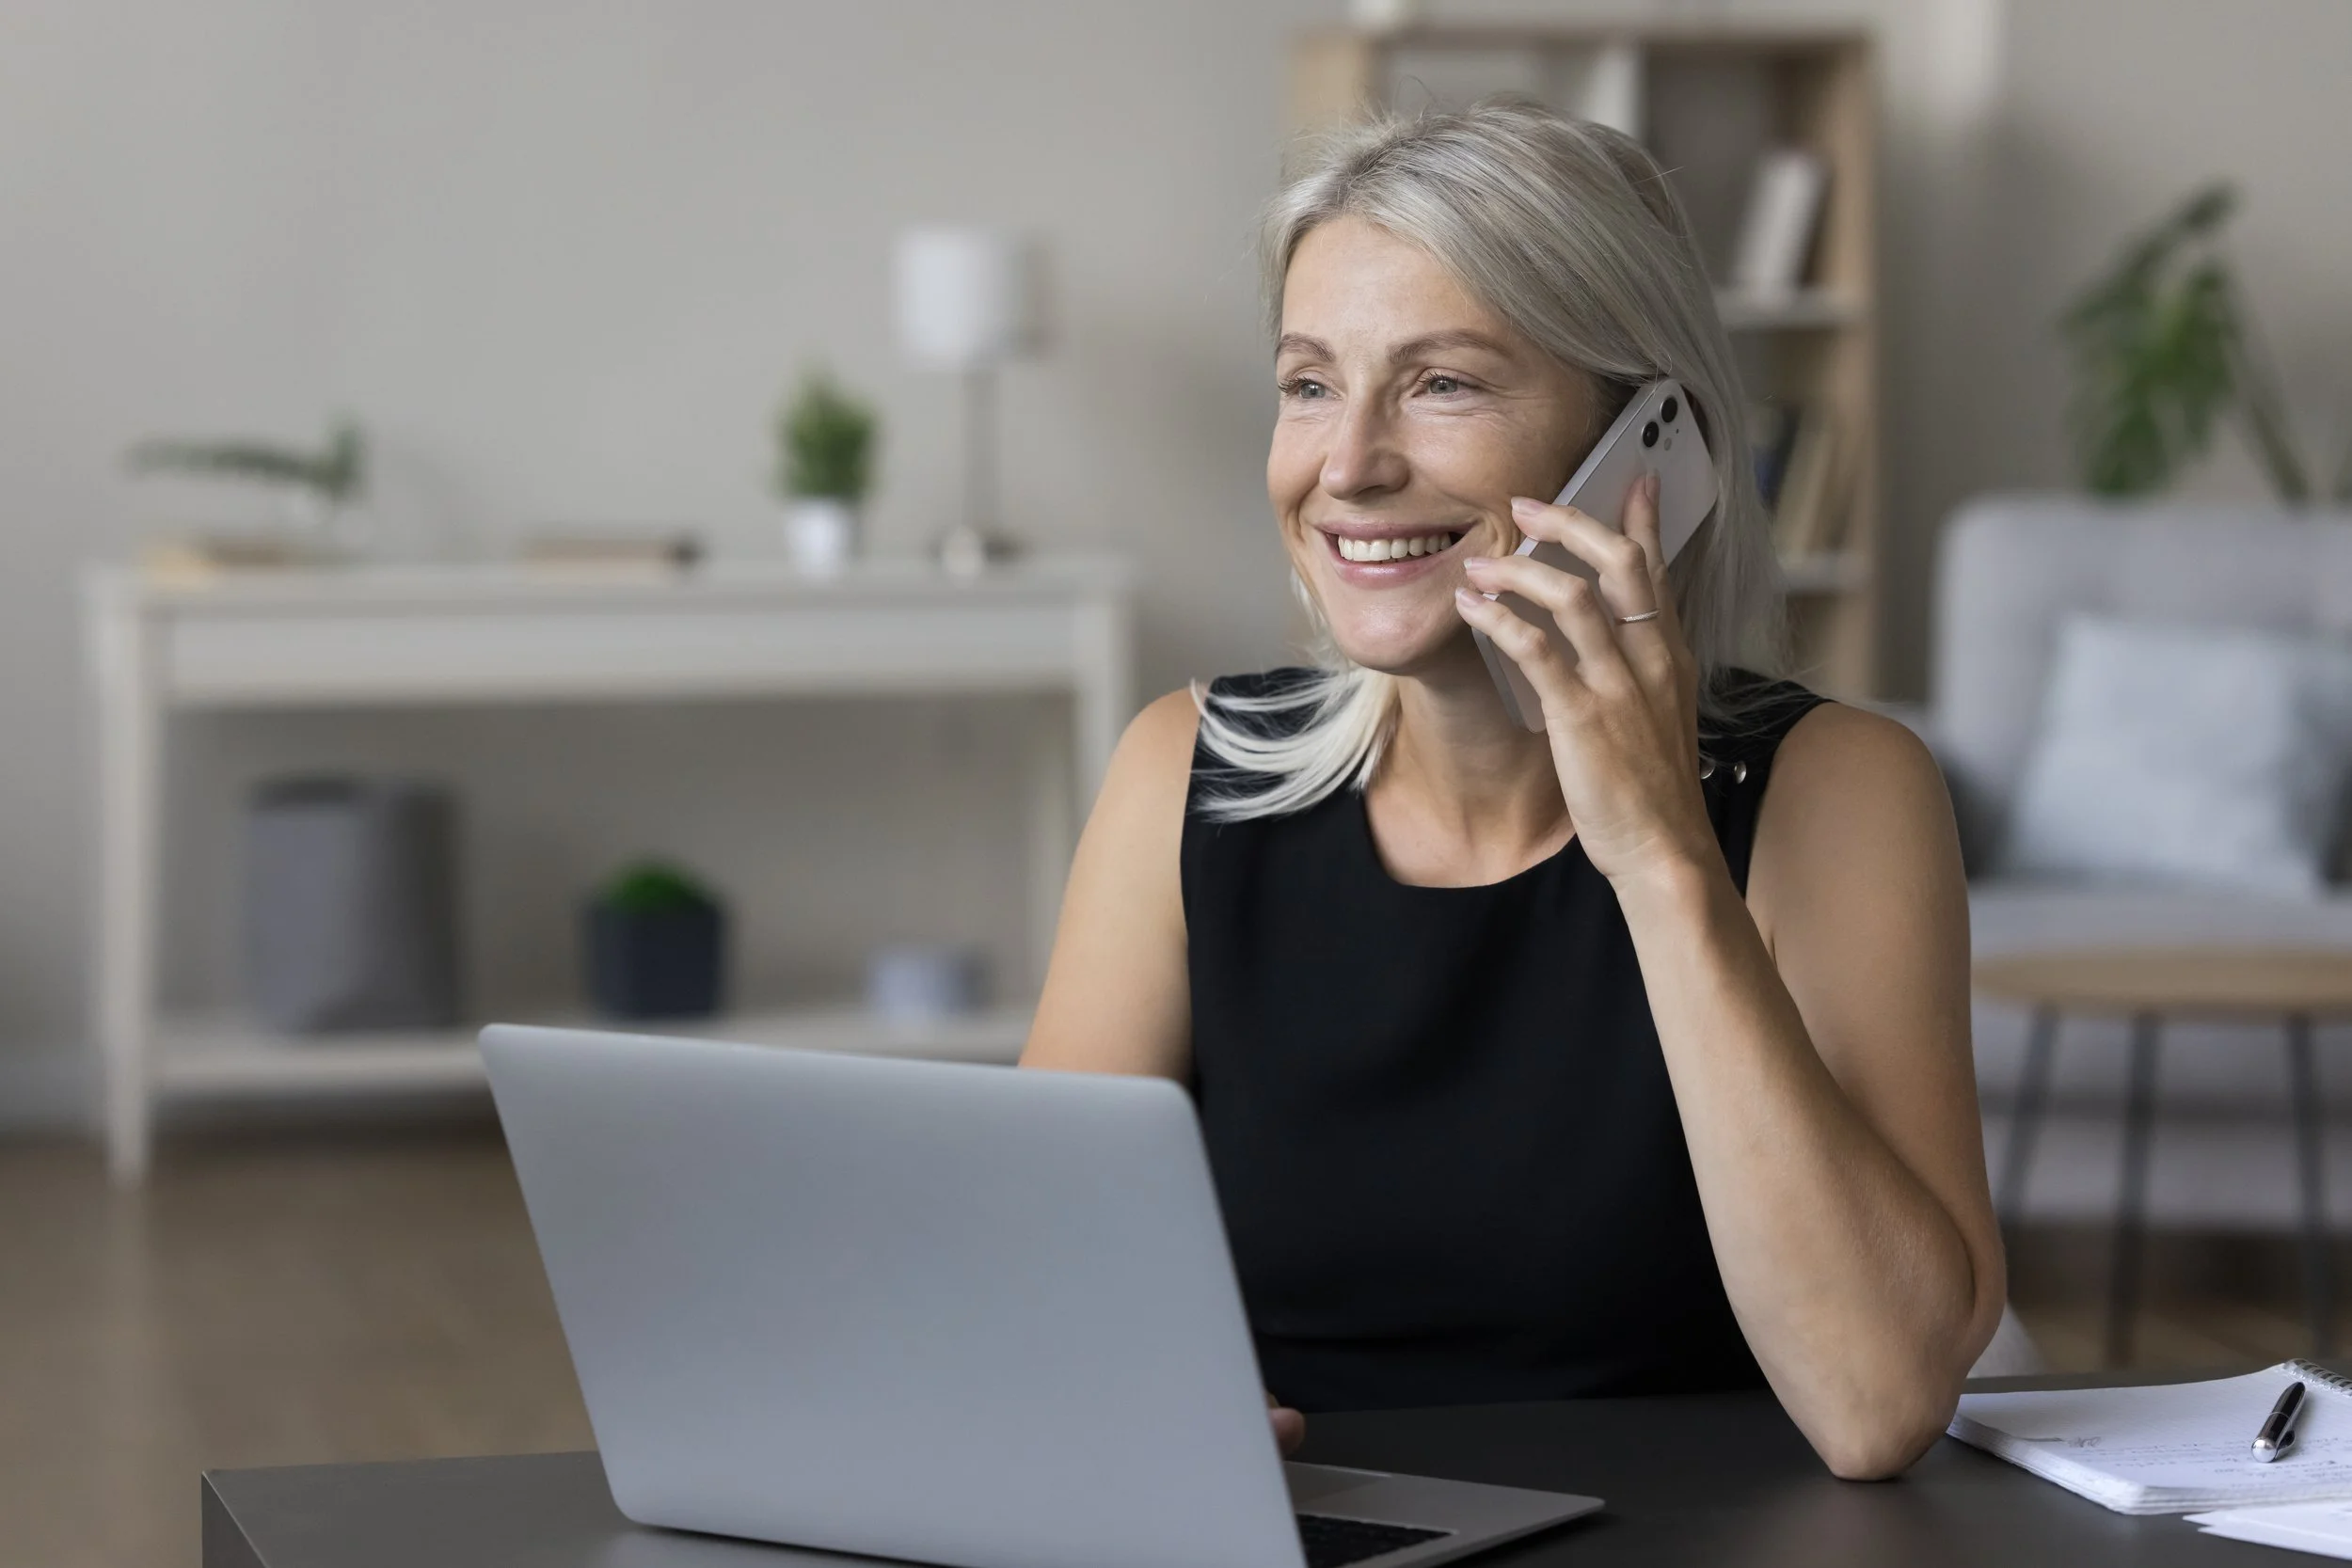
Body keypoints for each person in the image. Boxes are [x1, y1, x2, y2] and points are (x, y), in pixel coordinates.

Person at [1020, 102, 2002, 1481]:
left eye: (1443, 384)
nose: (1347, 465)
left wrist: (1663, 855)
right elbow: (1025, 1295)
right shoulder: (1183, 773)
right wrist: (1124, 1408)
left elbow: (1878, 1400)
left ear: (1651, 443)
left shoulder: (1839, 793)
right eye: (1309, 383)